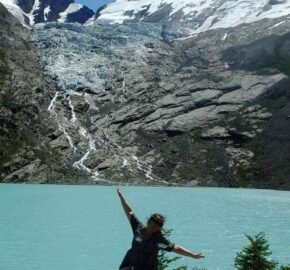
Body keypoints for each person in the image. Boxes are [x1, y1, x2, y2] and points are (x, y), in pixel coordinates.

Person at [117, 187, 204, 270]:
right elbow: (129, 212)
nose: (154, 225)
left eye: (158, 224)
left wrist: (191, 254)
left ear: (160, 227)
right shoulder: (138, 228)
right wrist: (121, 196)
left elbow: (175, 248)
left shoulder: (159, 240)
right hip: (130, 263)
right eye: (153, 221)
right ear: (149, 221)